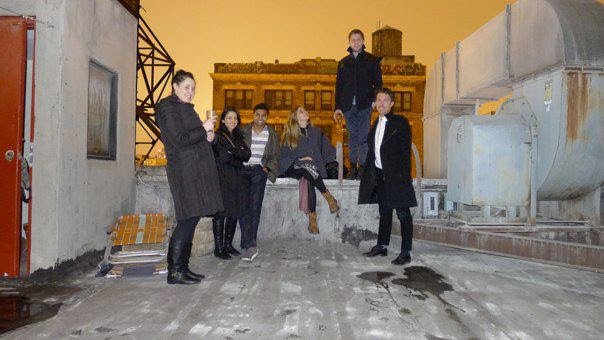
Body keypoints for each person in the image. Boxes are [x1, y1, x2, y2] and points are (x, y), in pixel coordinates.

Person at [156, 70, 223, 284]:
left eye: (193, 88)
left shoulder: (186, 109)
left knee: (192, 218)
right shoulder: (167, 107)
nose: (191, 92)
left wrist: (210, 136)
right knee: (186, 219)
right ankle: (174, 271)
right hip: (184, 171)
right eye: (187, 87)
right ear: (175, 86)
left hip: (195, 172)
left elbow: (195, 138)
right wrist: (203, 128)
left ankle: (182, 268)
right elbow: (179, 139)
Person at [358, 88, 417, 265]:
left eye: (386, 100)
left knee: (403, 213)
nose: (381, 103)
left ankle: (405, 251)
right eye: (379, 100)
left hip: (396, 176)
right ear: (375, 103)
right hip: (380, 175)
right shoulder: (376, 123)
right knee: (384, 211)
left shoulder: (400, 122)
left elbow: (405, 152)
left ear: (391, 104)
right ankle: (382, 246)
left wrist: (405, 177)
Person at [279, 106, 340, 234]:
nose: (305, 112)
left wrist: (330, 160)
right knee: (306, 165)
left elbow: (327, 148)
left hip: (311, 169)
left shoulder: (317, 132)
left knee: (308, 178)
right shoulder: (290, 134)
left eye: (305, 110)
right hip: (293, 167)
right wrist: (300, 158)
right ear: (295, 117)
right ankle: (328, 196)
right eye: (301, 111)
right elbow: (283, 155)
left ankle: (312, 219)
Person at [334, 29, 383, 180]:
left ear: (363, 41)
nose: (356, 42)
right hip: (348, 106)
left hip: (365, 105)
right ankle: (353, 168)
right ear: (349, 42)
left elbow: (378, 83)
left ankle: (362, 169)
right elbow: (339, 87)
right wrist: (337, 108)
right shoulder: (343, 63)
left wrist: (375, 99)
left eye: (358, 39)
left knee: (364, 136)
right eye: (353, 40)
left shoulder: (372, 60)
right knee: (352, 137)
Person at [239, 103, 279, 261]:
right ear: (253, 115)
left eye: (263, 115)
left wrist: (268, 169)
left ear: (267, 117)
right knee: (243, 207)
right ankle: (246, 243)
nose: (260, 118)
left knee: (255, 206)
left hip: (258, 171)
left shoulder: (273, 134)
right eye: (257, 115)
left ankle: (250, 243)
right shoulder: (243, 131)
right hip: (242, 171)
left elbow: (275, 156)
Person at [212, 108, 251, 260]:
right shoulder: (218, 136)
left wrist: (233, 152)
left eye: (235, 118)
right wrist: (237, 153)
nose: (233, 121)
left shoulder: (238, 136)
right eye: (229, 118)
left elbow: (246, 155)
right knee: (221, 214)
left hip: (237, 178)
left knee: (234, 211)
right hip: (223, 178)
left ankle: (228, 245)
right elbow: (223, 157)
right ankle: (219, 248)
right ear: (222, 120)